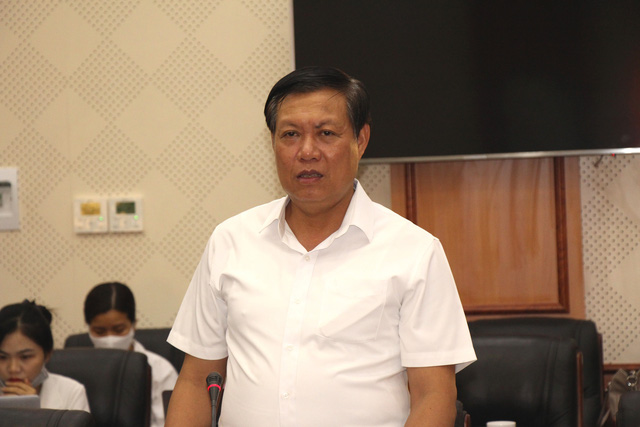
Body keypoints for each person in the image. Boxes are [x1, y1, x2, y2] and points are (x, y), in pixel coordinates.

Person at [166, 66, 477, 426]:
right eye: (290, 135)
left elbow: (433, 396)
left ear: (361, 140)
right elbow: (195, 381)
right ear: (273, 142)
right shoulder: (230, 240)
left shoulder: (414, 252)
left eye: (326, 133)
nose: (307, 151)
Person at [84, 281, 178, 427]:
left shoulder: (161, 371)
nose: (110, 339)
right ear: (89, 328)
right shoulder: (77, 368)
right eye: (100, 331)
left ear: (134, 324)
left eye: (119, 330)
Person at [0, 300, 90, 412]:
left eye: (25, 357)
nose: (13, 368)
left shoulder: (72, 392)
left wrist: (33, 412)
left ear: (47, 354)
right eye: (2, 357)